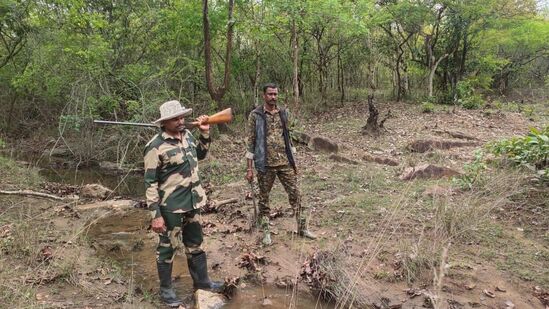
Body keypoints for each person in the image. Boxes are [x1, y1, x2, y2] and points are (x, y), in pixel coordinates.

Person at [144, 100, 222, 307]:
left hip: (193, 200)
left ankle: (202, 282)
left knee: (195, 245)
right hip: (170, 206)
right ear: (164, 122)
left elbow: (201, 155)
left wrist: (205, 133)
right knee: (167, 248)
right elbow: (150, 183)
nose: (181, 121)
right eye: (175, 119)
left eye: (182, 117)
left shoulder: (187, 135)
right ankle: (167, 291)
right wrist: (156, 215)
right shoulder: (155, 146)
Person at [245, 83, 316, 246]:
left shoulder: (284, 113)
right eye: (270, 94)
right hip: (265, 164)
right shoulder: (255, 115)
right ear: (264, 96)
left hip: (285, 163)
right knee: (264, 200)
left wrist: (294, 162)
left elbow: (289, 137)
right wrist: (249, 168)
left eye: (275, 94)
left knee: (296, 195)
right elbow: (250, 142)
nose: (273, 97)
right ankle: (266, 233)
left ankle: (303, 228)